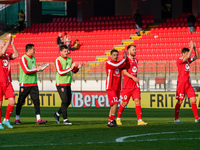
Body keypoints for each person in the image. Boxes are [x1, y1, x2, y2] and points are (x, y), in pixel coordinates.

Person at [15, 44, 47, 125]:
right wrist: (37, 69)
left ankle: (38, 119)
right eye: (33, 49)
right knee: (20, 101)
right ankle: (17, 119)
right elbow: (26, 71)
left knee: (36, 101)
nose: (35, 51)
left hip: (34, 83)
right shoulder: (23, 58)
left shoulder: (34, 58)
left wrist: (40, 69)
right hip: (25, 84)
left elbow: (32, 69)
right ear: (29, 50)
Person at [117, 45, 148, 126]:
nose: (135, 51)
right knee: (124, 103)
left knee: (137, 101)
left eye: (135, 49)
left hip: (135, 86)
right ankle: (118, 118)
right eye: (133, 50)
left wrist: (135, 79)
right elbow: (124, 72)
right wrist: (133, 77)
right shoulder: (125, 60)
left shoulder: (136, 60)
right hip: (127, 86)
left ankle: (140, 120)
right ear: (128, 51)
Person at [53, 45, 82, 125]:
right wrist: (71, 68)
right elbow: (60, 72)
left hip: (68, 83)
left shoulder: (70, 59)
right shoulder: (58, 60)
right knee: (65, 101)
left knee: (68, 102)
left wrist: (77, 68)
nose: (67, 53)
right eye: (65, 51)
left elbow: (73, 71)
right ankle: (65, 120)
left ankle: (57, 114)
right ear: (61, 52)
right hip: (60, 83)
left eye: (67, 51)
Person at [175, 40, 200, 123]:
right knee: (180, 101)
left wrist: (195, 47)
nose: (188, 55)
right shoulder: (179, 60)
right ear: (183, 54)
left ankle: (197, 118)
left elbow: (197, 56)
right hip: (181, 84)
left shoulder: (188, 61)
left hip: (188, 84)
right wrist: (191, 47)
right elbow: (187, 57)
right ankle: (176, 118)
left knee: (194, 99)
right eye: (187, 53)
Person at [0, 34, 19, 129]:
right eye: (3, 44)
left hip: (7, 82)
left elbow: (16, 55)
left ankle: (6, 120)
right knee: (0, 104)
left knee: (12, 101)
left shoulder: (7, 55)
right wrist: (7, 41)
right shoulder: (1, 53)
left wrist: (12, 44)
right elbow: (2, 52)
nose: (5, 45)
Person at [106, 49, 127, 127]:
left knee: (113, 105)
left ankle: (109, 121)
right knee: (115, 103)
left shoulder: (119, 63)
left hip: (117, 88)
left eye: (117, 55)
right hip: (110, 87)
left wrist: (126, 58)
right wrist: (124, 59)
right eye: (114, 55)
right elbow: (116, 66)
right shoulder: (108, 63)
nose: (115, 56)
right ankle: (112, 120)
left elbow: (126, 65)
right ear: (111, 55)